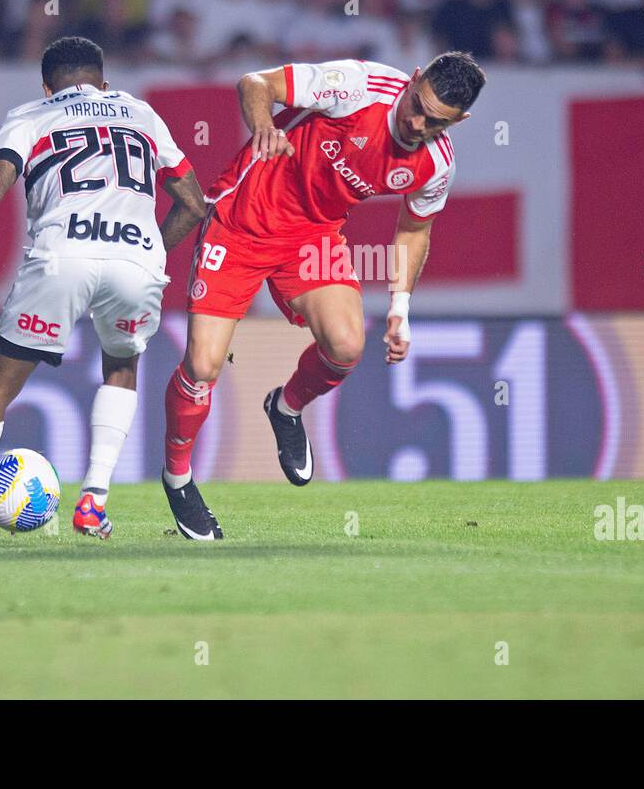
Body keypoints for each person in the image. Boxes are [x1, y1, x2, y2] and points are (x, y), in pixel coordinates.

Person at [161, 53, 486, 539]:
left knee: (347, 345)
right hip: (242, 221)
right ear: (414, 79)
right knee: (204, 366)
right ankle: (178, 477)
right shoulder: (357, 86)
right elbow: (255, 82)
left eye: (435, 121)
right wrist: (265, 126)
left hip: (312, 237)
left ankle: (286, 407)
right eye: (417, 104)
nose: (417, 122)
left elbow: (414, 230)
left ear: (460, 121)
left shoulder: (435, 165)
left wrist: (401, 309)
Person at [0, 36, 207, 547]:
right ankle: (93, 504)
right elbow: (194, 204)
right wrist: (153, 249)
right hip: (135, 259)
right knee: (121, 366)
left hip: (62, 254)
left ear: (47, 86)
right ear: (104, 83)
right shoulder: (141, 114)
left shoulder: (31, 114)